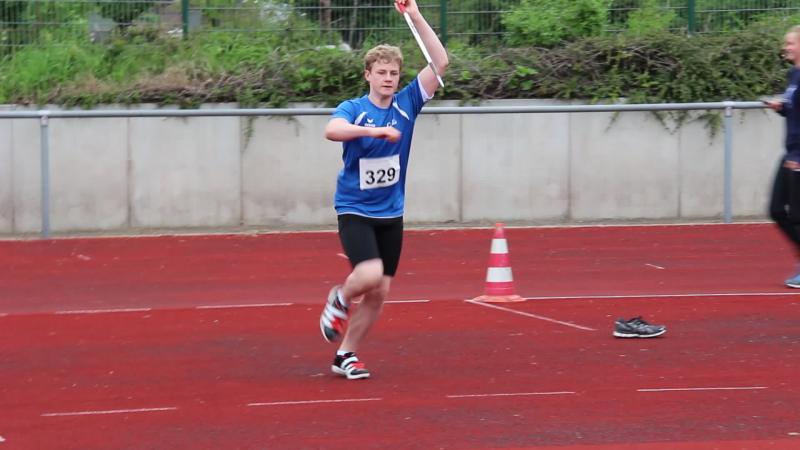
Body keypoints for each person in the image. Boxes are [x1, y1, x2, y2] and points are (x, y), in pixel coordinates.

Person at [317, 0, 448, 380]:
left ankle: (346, 354)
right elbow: (331, 131)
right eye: (381, 73)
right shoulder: (354, 107)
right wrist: (372, 131)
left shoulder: (407, 104)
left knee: (379, 292)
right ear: (368, 75)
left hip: (392, 213)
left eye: (393, 73)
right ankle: (340, 298)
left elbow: (440, 63)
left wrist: (415, 14)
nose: (388, 78)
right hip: (355, 209)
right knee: (369, 273)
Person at [766, 25, 800, 288]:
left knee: (797, 215)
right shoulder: (793, 75)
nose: (785, 47)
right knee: (776, 209)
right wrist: (781, 107)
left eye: (790, 43)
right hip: (790, 152)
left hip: (798, 155)